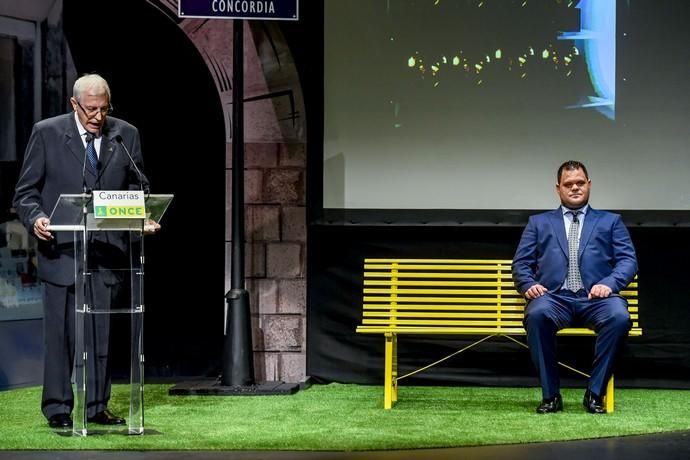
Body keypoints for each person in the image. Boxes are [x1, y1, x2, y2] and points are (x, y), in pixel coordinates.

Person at [13, 73, 160, 428]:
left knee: (100, 335)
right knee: (61, 337)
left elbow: (137, 188)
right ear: (74, 104)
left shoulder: (125, 134)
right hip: (62, 250)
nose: (98, 117)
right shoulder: (47, 133)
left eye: (104, 109)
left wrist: (141, 217)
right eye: (91, 109)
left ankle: (96, 406)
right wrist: (36, 219)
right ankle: (58, 408)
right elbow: (26, 193)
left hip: (109, 254)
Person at [512, 160, 637, 414]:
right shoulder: (538, 223)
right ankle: (550, 396)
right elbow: (521, 264)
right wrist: (528, 285)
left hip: (596, 299)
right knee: (536, 314)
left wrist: (609, 284)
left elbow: (628, 260)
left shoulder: (611, 221)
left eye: (580, 183)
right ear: (558, 188)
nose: (575, 188)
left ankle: (594, 393)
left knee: (619, 316)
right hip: (554, 298)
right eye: (569, 184)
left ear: (589, 185)